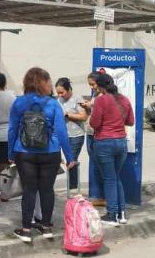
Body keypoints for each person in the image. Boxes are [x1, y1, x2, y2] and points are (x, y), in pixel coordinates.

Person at [7, 67, 75, 243]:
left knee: (29, 190)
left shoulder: (19, 102)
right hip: (50, 152)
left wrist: (10, 152)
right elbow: (61, 132)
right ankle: (46, 228)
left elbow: (13, 129)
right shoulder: (53, 104)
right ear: (44, 83)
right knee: (46, 190)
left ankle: (26, 230)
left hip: (24, 152)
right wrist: (69, 156)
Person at [90, 73, 134, 226]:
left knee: (109, 179)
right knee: (116, 177)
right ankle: (122, 213)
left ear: (100, 86)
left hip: (105, 142)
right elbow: (130, 121)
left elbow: (94, 123)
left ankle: (112, 214)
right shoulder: (124, 99)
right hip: (121, 142)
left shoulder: (101, 100)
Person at [55, 77, 87, 191]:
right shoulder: (59, 101)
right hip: (62, 135)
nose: (59, 95)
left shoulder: (77, 99)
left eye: (62, 92)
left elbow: (83, 117)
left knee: (71, 160)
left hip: (76, 135)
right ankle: (72, 186)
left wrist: (68, 115)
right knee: (59, 159)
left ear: (68, 89)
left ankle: (73, 188)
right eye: (57, 93)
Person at [81, 71, 106, 207]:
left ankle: (102, 196)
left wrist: (91, 106)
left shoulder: (104, 96)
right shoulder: (95, 94)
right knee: (94, 164)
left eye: (93, 84)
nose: (91, 87)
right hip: (90, 131)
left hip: (98, 133)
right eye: (89, 85)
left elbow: (102, 112)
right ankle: (97, 195)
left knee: (100, 165)